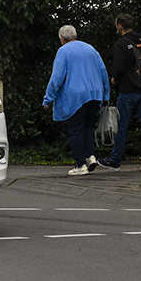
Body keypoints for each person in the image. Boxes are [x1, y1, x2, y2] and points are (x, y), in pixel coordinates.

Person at [42, 24, 110, 176]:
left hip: (75, 97)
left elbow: (57, 78)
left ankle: (81, 165)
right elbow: (103, 71)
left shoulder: (63, 51)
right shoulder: (90, 49)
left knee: (75, 130)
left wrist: (48, 98)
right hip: (94, 95)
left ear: (61, 39)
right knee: (87, 127)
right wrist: (105, 95)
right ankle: (90, 156)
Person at [101, 14, 141, 170]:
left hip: (128, 90)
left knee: (121, 126)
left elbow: (119, 68)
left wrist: (115, 80)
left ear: (120, 26)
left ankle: (115, 160)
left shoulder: (122, 44)